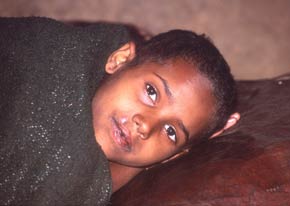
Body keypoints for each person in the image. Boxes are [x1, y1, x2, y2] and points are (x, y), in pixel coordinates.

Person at [0, 17, 240, 205]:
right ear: (119, 59)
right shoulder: (50, 56)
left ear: (174, 156)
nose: (145, 126)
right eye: (152, 92)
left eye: (171, 132)